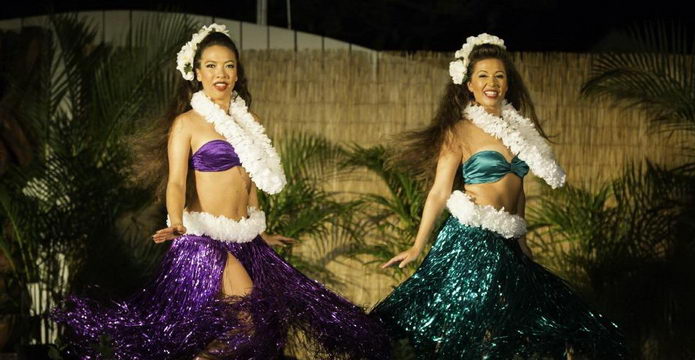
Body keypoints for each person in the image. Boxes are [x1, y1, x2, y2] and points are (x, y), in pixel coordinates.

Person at [52, 24, 390, 360]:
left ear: (237, 72)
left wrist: (260, 230)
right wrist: (176, 221)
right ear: (197, 73)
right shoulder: (187, 123)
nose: (221, 73)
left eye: (229, 65)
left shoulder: (250, 120)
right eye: (211, 66)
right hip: (205, 241)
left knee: (268, 331)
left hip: (245, 239)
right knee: (248, 321)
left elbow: (250, 179)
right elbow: (175, 182)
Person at [371, 33, 627, 359]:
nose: (492, 82)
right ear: (469, 85)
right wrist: (418, 244)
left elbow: (519, 191)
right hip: (474, 237)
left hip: (508, 240)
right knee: (475, 325)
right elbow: (439, 192)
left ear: (507, 84)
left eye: (499, 75)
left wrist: (522, 241)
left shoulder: (521, 131)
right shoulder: (458, 131)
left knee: (524, 324)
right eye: (483, 76)